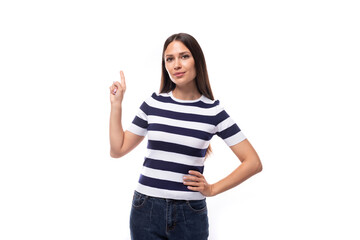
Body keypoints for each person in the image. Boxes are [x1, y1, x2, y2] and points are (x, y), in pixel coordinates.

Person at [109, 33, 262, 240]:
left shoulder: (213, 112)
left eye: (184, 56)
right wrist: (116, 105)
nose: (176, 65)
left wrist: (212, 188)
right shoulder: (153, 104)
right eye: (169, 59)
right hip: (145, 208)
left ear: (197, 60)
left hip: (189, 213)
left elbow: (253, 162)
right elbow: (118, 150)